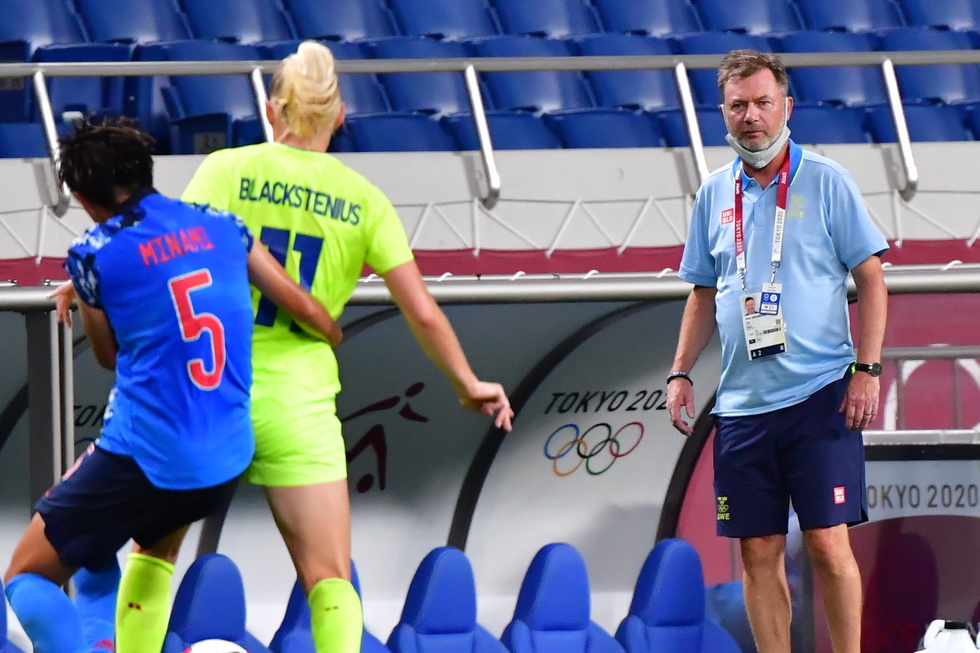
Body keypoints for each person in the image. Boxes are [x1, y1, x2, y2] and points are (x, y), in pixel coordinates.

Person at [180, 40, 514, 652]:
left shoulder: (223, 171)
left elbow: (165, 261)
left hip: (209, 387)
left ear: (271, 109)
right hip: (298, 404)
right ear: (339, 116)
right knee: (330, 580)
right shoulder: (364, 200)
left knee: (152, 556)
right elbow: (422, 313)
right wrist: (468, 383)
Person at [4, 118, 342, 653]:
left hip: (148, 458)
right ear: (145, 170)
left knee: (28, 576)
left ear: (84, 198)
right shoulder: (224, 225)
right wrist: (332, 332)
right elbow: (310, 312)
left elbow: (108, 355)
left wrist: (87, 290)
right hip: (225, 459)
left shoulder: (92, 253)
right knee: (94, 550)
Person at [666, 50, 888, 653]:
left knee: (826, 543)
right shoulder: (713, 193)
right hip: (742, 406)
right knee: (757, 550)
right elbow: (702, 290)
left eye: (763, 103)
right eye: (738, 105)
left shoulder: (826, 180)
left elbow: (871, 279)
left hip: (820, 393)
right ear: (723, 113)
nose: (751, 116)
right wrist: (680, 372)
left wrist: (867, 370)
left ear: (787, 106)